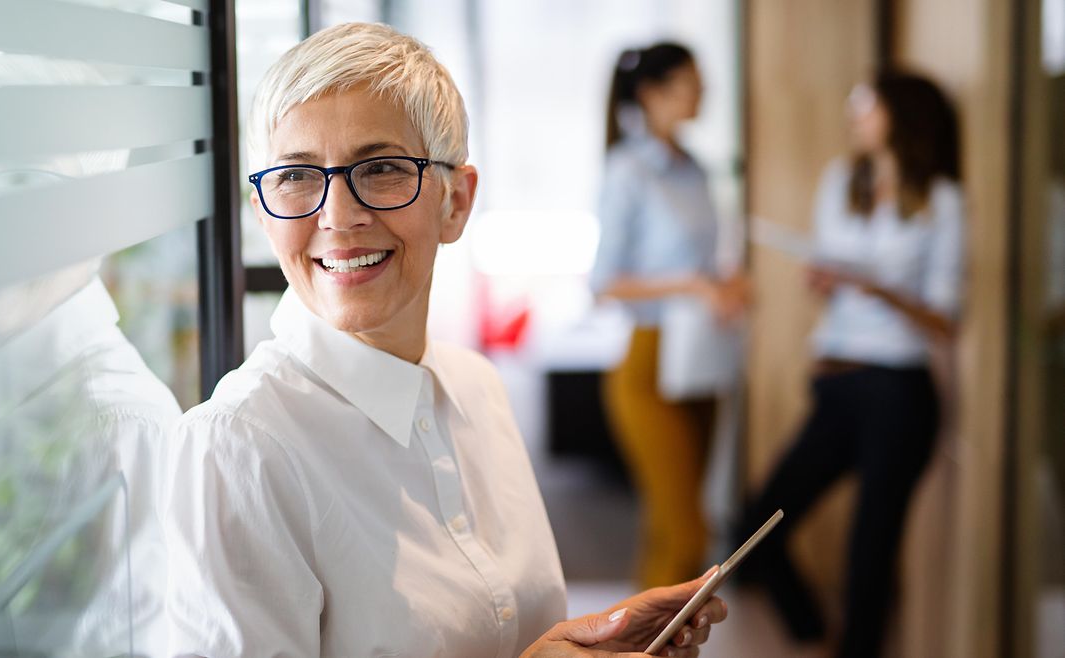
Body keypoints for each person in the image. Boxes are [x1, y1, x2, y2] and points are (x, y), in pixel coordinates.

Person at [160, 23, 726, 657]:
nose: (338, 216)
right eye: (295, 175)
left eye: (379, 169)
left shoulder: (476, 387)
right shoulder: (237, 451)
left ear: (456, 201)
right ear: (264, 211)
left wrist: (595, 639)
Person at [738, 71, 965, 658]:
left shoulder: (941, 199)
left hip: (899, 390)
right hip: (835, 383)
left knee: (870, 554)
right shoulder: (841, 181)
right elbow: (827, 272)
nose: (854, 115)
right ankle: (817, 638)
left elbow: (946, 320)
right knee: (759, 527)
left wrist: (877, 287)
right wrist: (825, 279)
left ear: (901, 114)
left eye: (866, 105)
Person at [590, 42, 747, 589]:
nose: (702, 90)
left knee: (669, 529)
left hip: (699, 356)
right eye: (690, 81)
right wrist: (693, 286)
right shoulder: (630, 169)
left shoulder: (696, 169)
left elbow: (701, 264)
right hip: (649, 362)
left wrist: (723, 285)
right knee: (687, 534)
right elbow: (605, 284)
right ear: (652, 94)